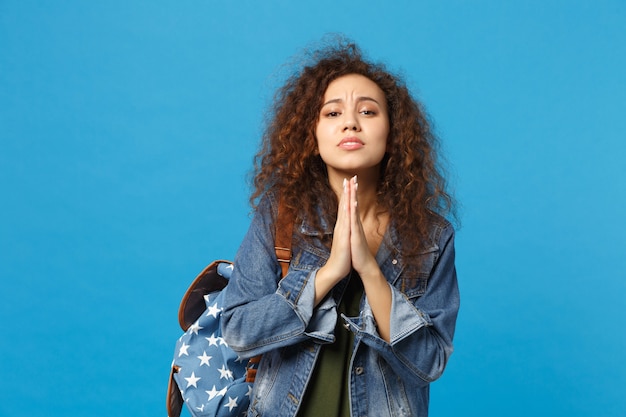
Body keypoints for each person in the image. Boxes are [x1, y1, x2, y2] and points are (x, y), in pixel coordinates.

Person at [221, 38, 459, 417]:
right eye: (332, 114)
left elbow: (429, 362)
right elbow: (237, 330)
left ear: (393, 133)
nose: (350, 121)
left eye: (368, 111)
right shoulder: (279, 216)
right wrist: (329, 272)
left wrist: (370, 270)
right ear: (311, 137)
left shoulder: (431, 237)